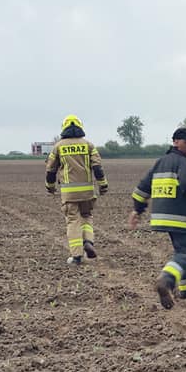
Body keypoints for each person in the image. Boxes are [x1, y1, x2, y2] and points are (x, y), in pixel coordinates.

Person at [128, 127, 186, 308]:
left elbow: (141, 190)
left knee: (184, 249)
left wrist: (137, 210)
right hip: (181, 216)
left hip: (162, 217)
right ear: (175, 142)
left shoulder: (159, 163)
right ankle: (166, 280)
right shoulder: (183, 162)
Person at [44, 114, 108, 265]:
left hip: (69, 193)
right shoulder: (88, 145)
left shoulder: (58, 147)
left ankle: (77, 256)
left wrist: (51, 187)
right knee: (86, 217)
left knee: (73, 221)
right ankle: (89, 242)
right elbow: (98, 168)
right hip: (87, 192)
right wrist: (103, 185)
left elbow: (50, 171)